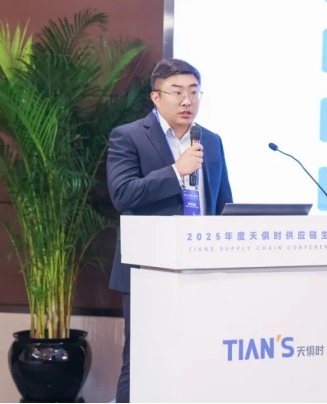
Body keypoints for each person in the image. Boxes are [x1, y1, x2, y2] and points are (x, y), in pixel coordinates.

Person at [106, 58, 234, 402]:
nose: (187, 101)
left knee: (197, 357)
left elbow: (223, 204)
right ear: (156, 97)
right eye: (177, 92)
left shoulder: (211, 140)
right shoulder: (129, 137)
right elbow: (122, 194)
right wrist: (176, 172)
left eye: (194, 92)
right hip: (148, 271)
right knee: (142, 361)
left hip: (202, 268)